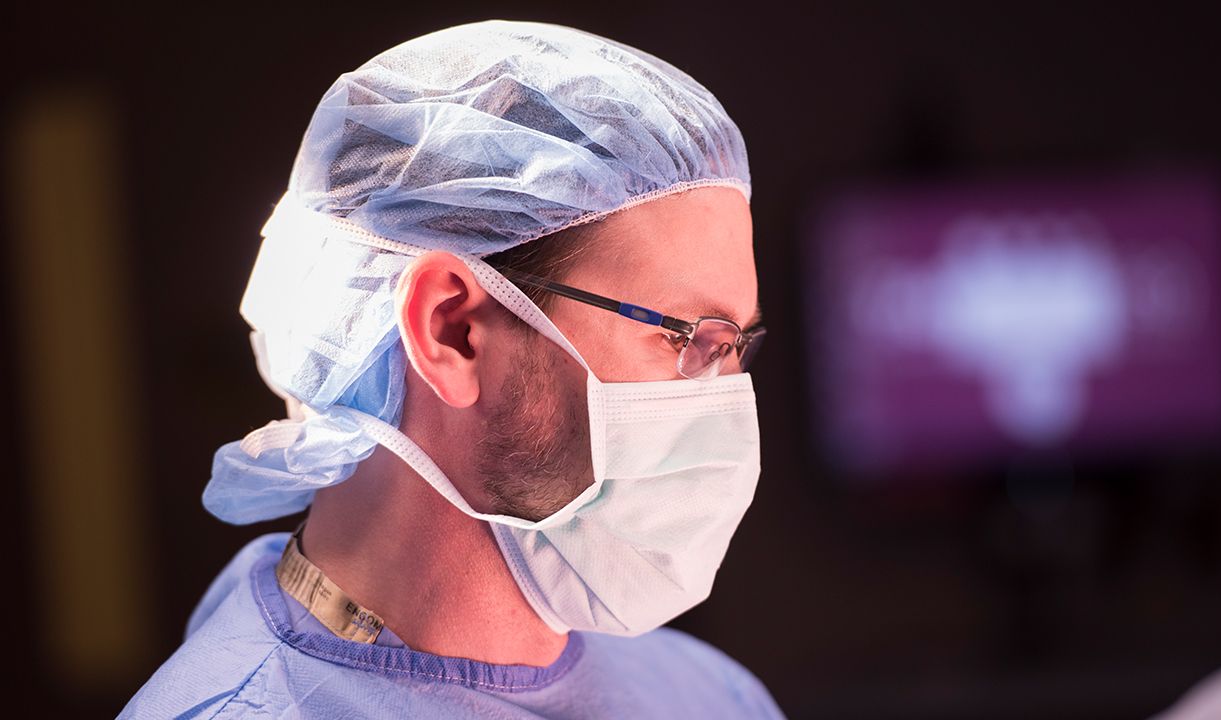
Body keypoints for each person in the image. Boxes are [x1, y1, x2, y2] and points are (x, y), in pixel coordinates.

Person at [121, 19, 782, 719]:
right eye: (688, 336)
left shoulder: (713, 696)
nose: (726, 399)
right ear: (452, 329)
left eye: (735, 345)